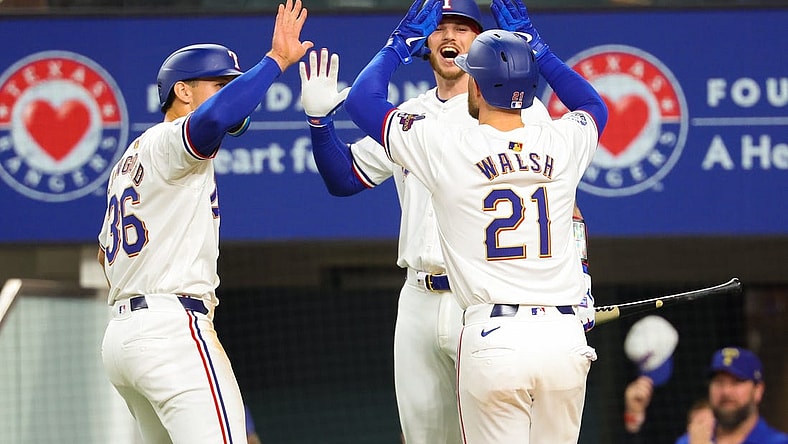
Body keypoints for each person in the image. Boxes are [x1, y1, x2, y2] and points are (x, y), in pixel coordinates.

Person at [298, 1, 595, 441]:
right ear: (427, 41)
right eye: (440, 28)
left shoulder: (520, 113)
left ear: (482, 45)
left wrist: (582, 272)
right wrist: (320, 125)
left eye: (463, 28)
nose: (450, 37)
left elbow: (567, 210)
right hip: (419, 293)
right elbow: (343, 179)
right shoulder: (414, 115)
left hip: (479, 298)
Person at [96, 2, 312, 442]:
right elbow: (214, 117)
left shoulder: (129, 160)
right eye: (218, 83)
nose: (229, 93)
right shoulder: (170, 140)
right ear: (183, 92)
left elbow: (105, 254)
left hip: (123, 336)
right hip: (171, 329)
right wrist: (274, 62)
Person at [675, 347, 788, 444]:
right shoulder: (689, 441)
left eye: (737, 382)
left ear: (758, 390)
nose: (726, 391)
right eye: (719, 382)